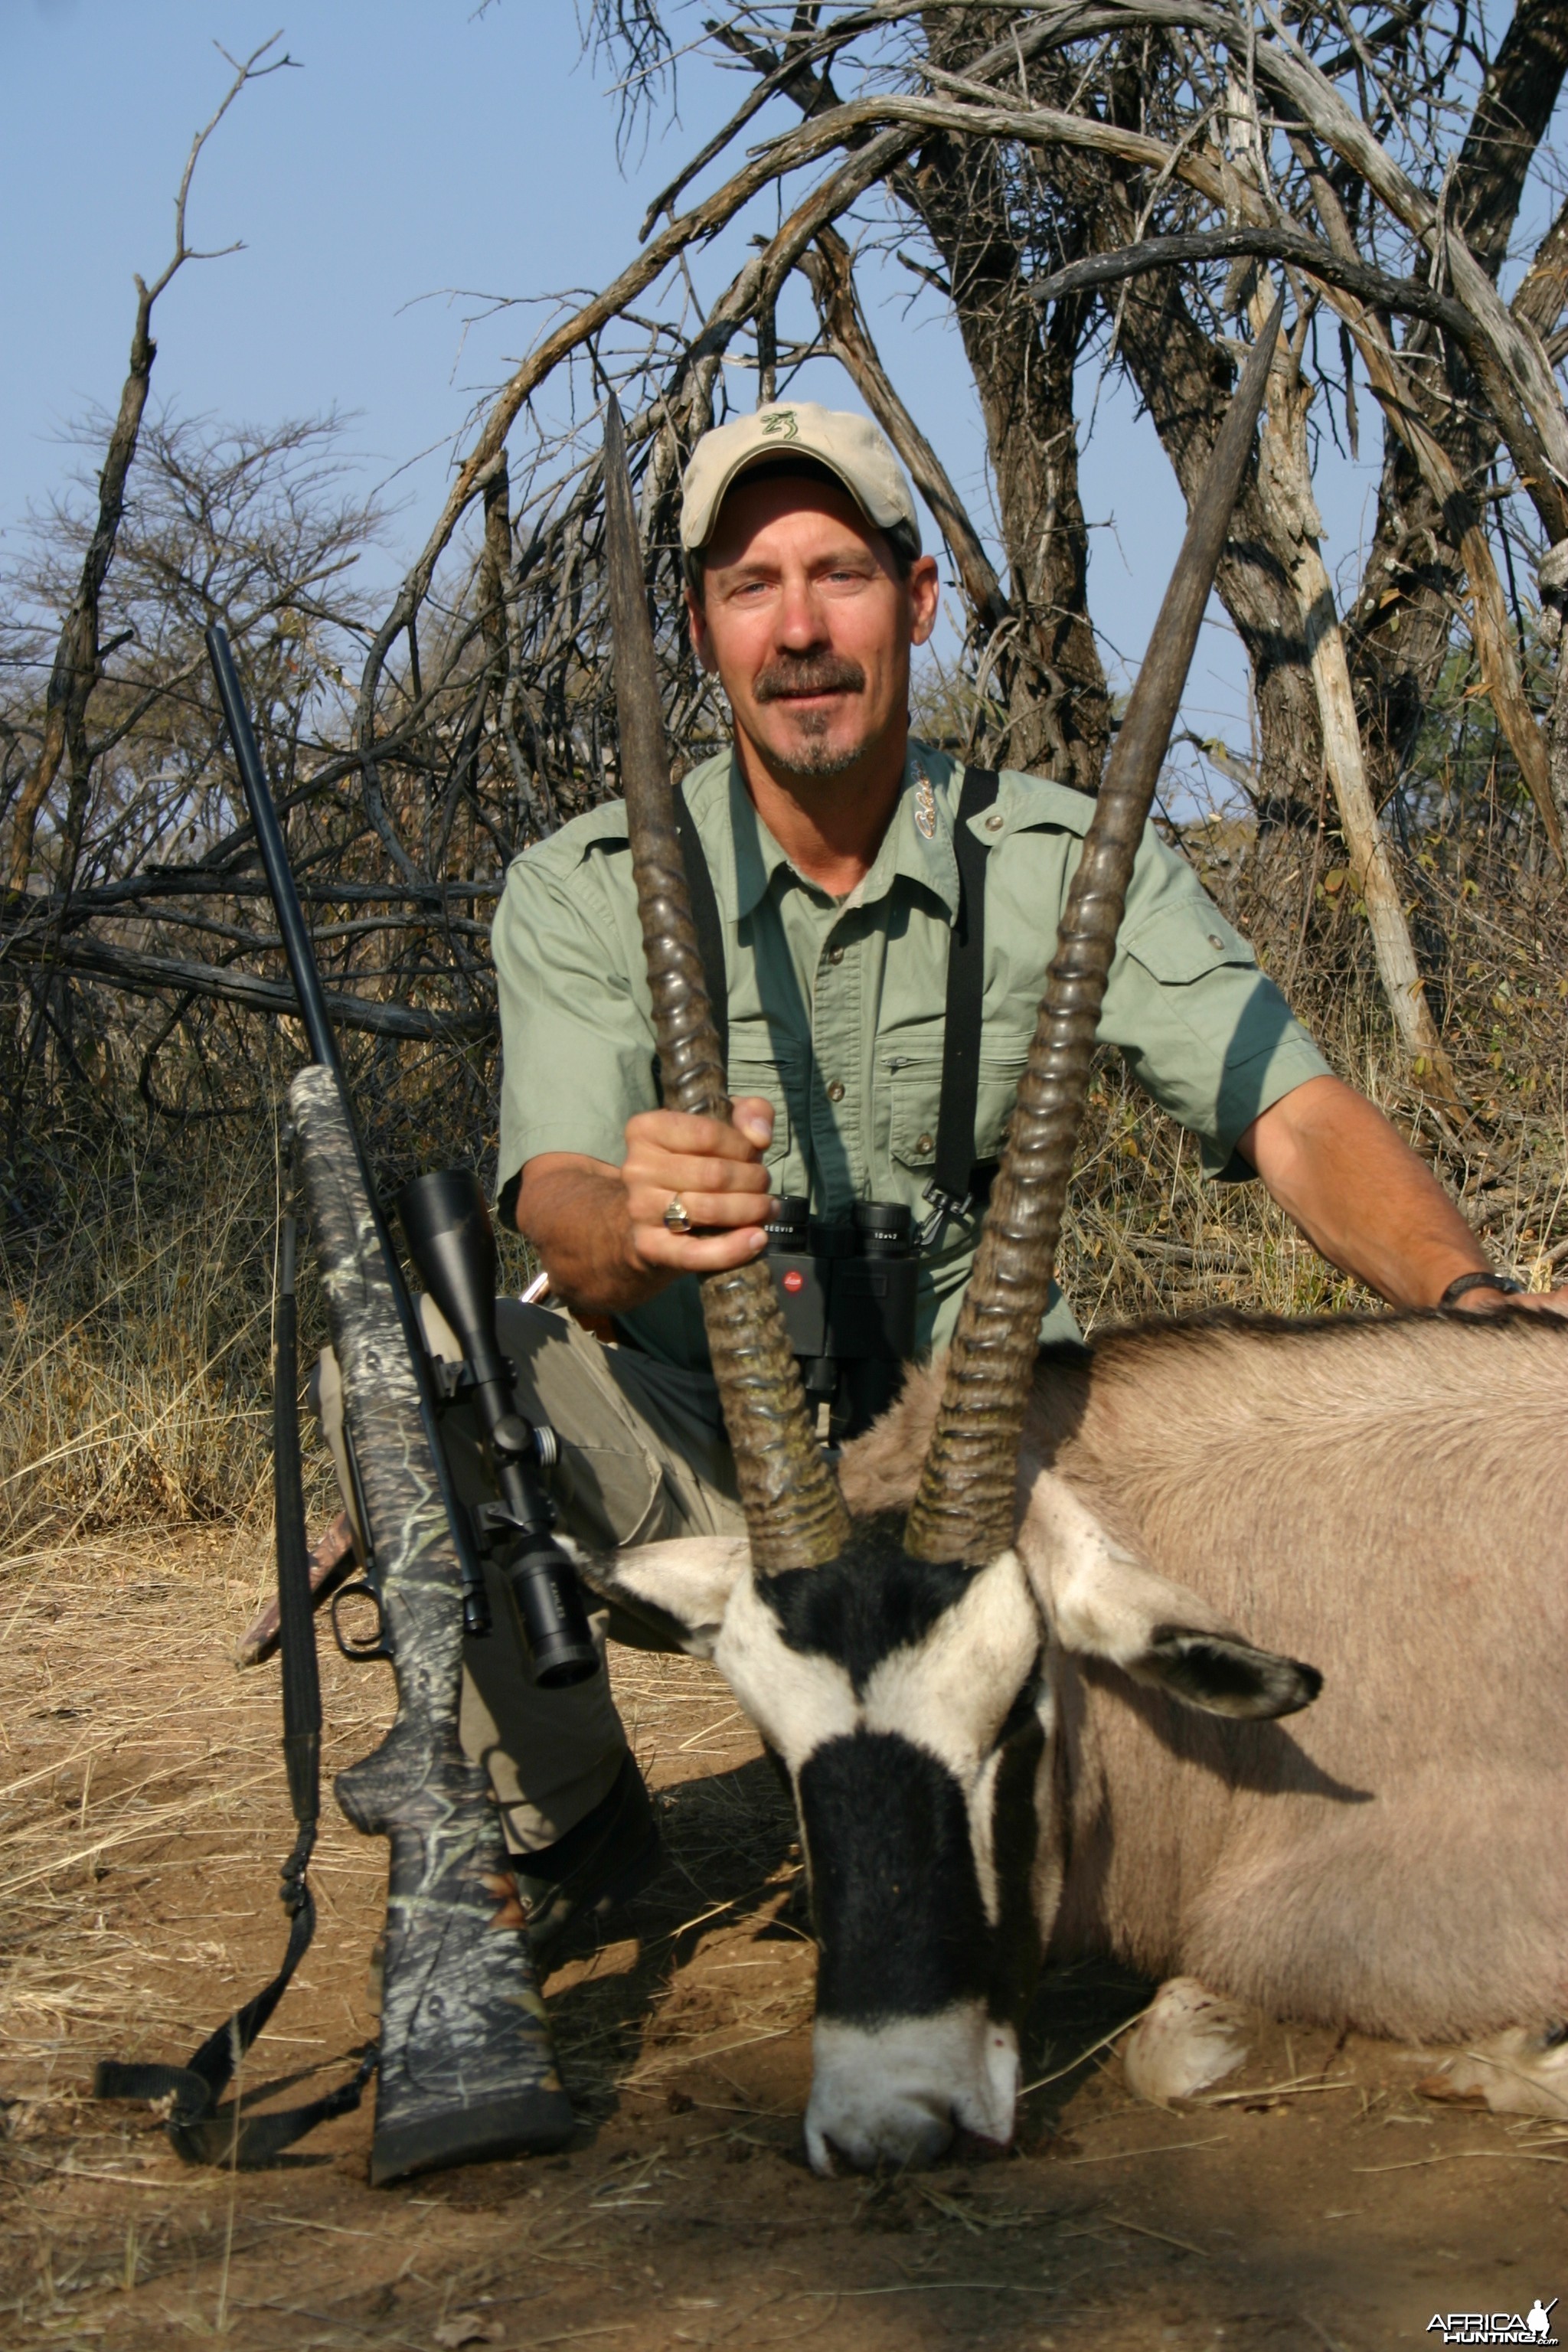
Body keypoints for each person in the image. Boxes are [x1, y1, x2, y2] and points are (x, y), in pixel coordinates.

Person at [319, 399, 1563, 1953]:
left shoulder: (1061, 858)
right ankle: (565, 1833)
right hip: (710, 1462)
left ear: (915, 601)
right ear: (703, 630)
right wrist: (630, 1226)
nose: (798, 630)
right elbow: (560, 1207)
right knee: (416, 1365)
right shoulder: (583, 890)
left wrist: (1479, 1306)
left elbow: (1292, 1116)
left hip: (970, 1475)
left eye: (837, 574)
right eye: (749, 586)